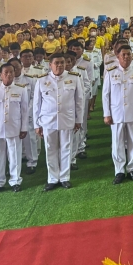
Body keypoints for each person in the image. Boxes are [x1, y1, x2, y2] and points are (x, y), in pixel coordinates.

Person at [32, 52, 83, 191]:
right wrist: (37, 124)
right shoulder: (42, 80)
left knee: (66, 148)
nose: (60, 65)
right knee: (50, 149)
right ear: (50, 65)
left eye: (62, 63)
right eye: (56, 63)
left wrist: (78, 119)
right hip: (48, 120)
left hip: (67, 118)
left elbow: (79, 101)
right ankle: (52, 178)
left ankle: (65, 177)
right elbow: (36, 104)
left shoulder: (74, 78)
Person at [102, 44, 133, 184]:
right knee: (117, 142)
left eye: (129, 54)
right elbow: (105, 95)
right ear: (118, 56)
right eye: (124, 54)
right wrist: (106, 114)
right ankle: (119, 171)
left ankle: (132, 169)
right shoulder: (110, 71)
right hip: (116, 113)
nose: (126, 57)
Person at [0, 63, 29, 193]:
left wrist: (24, 128)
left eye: (11, 72)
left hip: (14, 128)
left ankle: (15, 181)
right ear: (0, 75)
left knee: (15, 156)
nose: (9, 75)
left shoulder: (21, 89)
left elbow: (25, 111)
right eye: (6, 72)